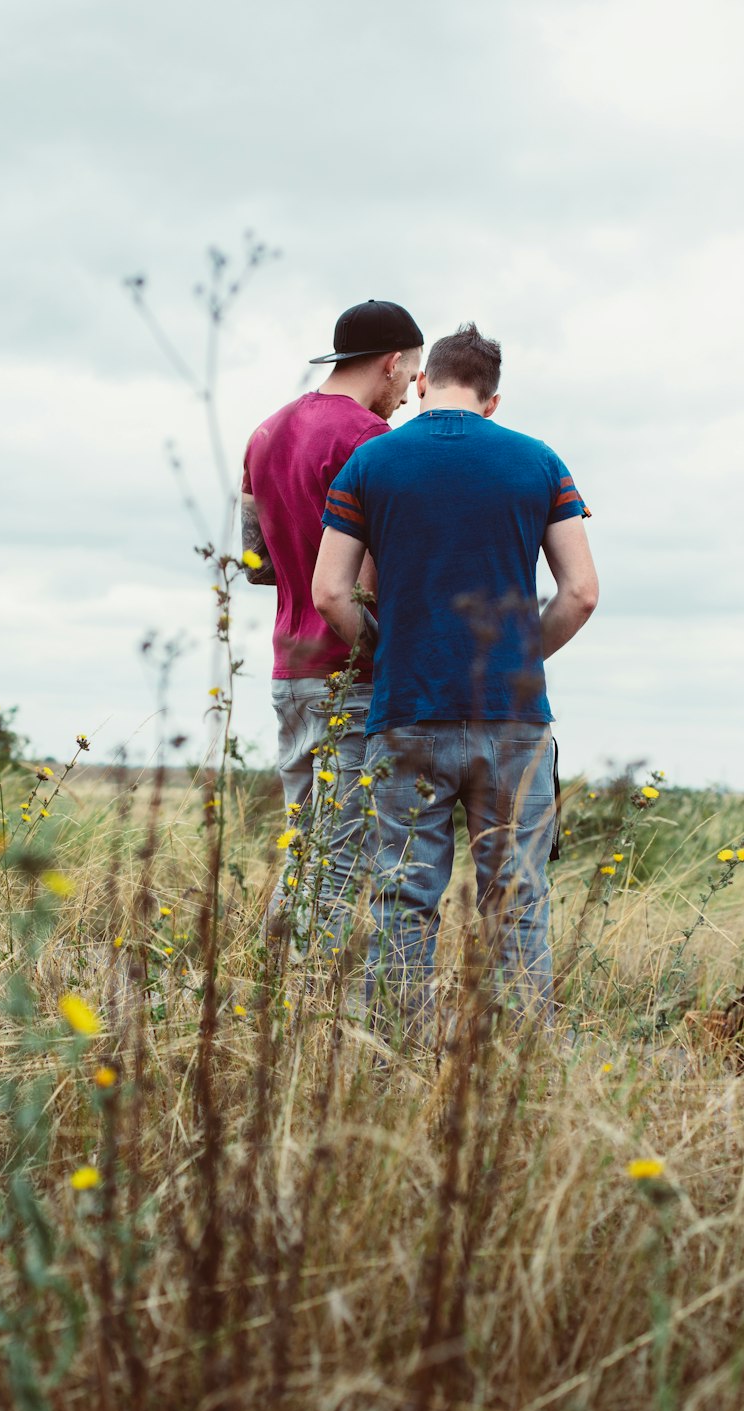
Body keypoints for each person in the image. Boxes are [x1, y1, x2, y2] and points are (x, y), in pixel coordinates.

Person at [312, 322, 598, 1034]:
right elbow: (581, 593)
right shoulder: (539, 463)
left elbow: (329, 592)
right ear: (492, 400)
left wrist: (389, 653)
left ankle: (391, 1066)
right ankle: (522, 1070)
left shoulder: (373, 462)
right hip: (514, 721)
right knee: (519, 901)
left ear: (420, 382)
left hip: (407, 710)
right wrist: (519, 659)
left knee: (403, 901)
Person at [241, 299, 424, 929]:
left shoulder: (263, 434)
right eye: (408, 379)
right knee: (339, 865)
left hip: (288, 669)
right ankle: (308, 1014)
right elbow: (377, 576)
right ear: (393, 364)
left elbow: (253, 561)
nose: (405, 398)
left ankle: (274, 995)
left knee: (308, 852)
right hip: (350, 671)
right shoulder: (369, 440)